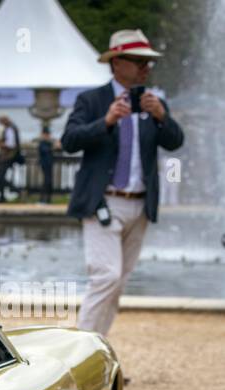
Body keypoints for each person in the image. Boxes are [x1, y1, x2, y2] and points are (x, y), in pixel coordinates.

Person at [64, 28, 184, 338]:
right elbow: (69, 141)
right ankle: (81, 354)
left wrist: (162, 118)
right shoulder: (91, 100)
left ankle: (99, 354)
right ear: (116, 63)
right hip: (103, 201)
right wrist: (105, 122)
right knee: (106, 276)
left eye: (149, 62)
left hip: (140, 205)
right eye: (139, 60)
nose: (146, 67)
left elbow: (175, 142)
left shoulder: (152, 101)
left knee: (117, 284)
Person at [0, 114, 22, 201]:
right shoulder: (12, 127)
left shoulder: (10, 129)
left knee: (1, 177)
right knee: (1, 177)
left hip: (8, 156)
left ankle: (14, 190)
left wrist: (0, 144)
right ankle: (4, 194)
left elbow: (11, 144)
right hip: (10, 156)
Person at [35, 122, 58, 205]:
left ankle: (48, 199)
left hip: (50, 164)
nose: (48, 136)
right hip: (45, 164)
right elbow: (44, 150)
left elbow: (58, 150)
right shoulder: (42, 143)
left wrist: (57, 146)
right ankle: (42, 199)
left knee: (49, 182)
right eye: (46, 134)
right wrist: (53, 147)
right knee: (46, 182)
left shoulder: (49, 142)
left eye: (48, 134)